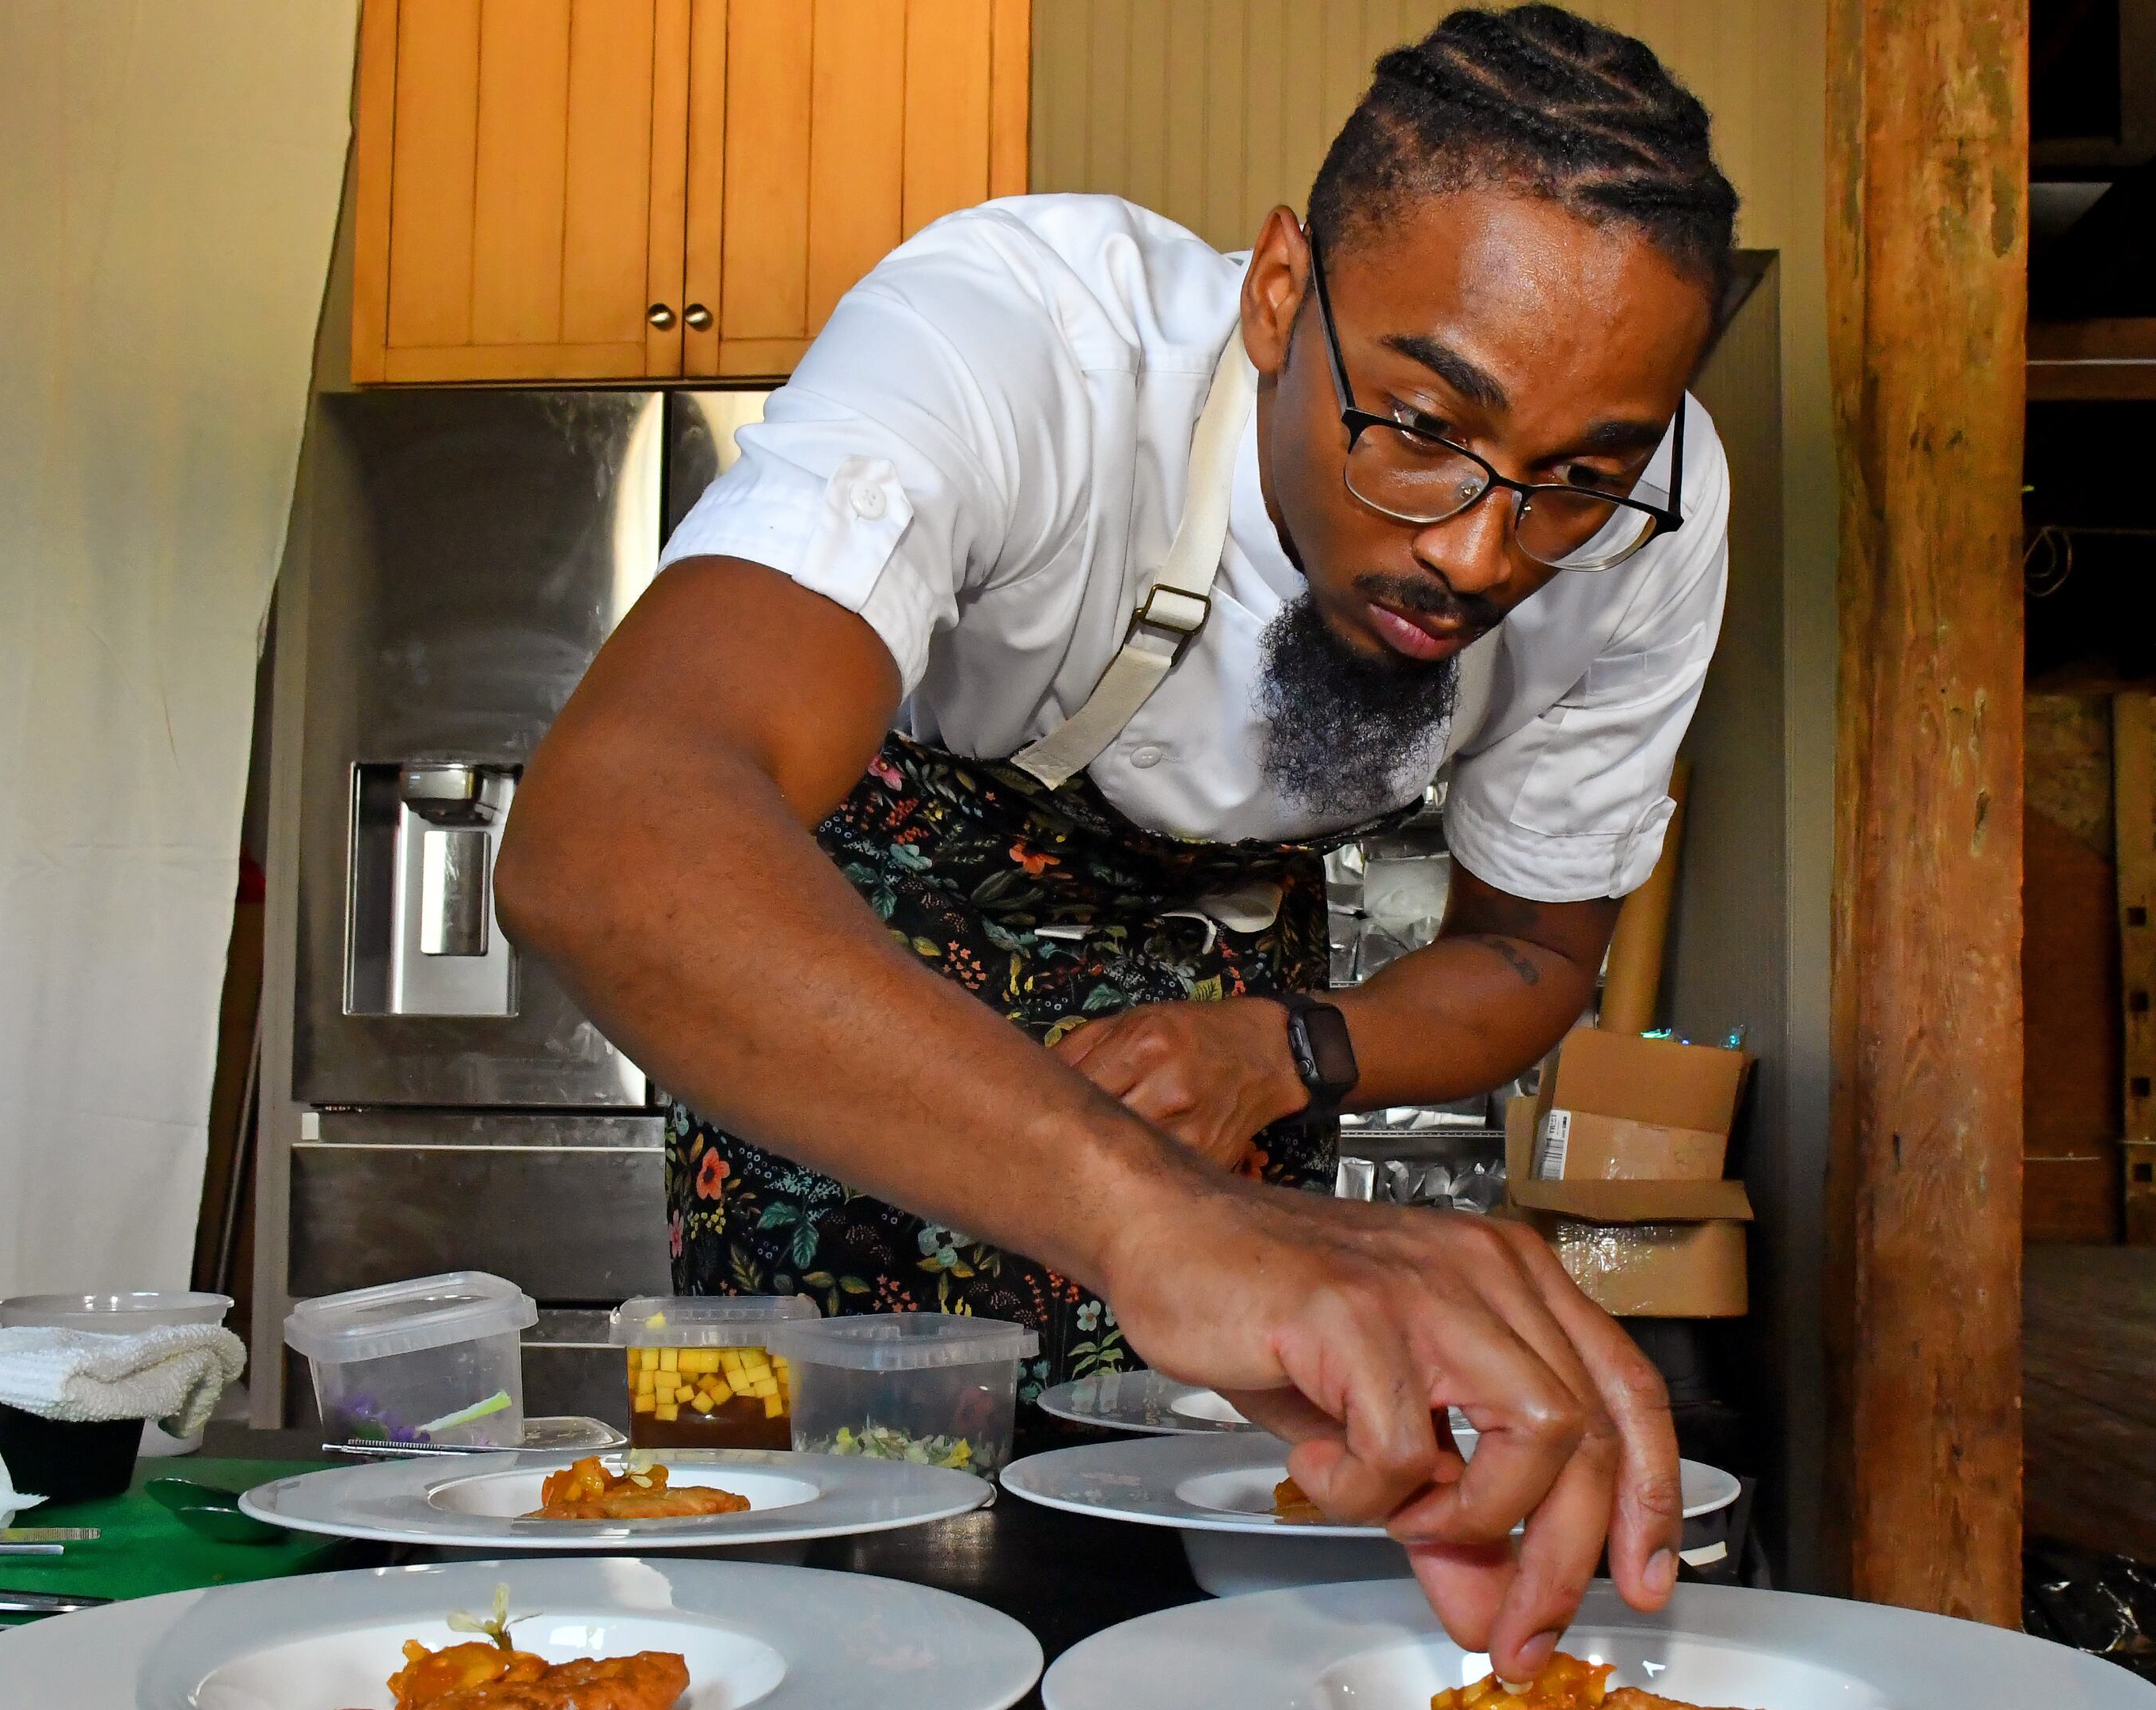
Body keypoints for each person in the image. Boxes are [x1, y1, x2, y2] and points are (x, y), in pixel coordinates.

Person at [496, 5, 1736, 1676]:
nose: (1485, 555)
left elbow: (1533, 953)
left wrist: (1286, 1049)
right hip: (856, 980)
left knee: (1205, 1611)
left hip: (1240, 1009)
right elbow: (610, 838)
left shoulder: (1656, 520)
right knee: (850, 1610)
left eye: (1578, 478)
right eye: (1427, 431)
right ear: (1282, 291)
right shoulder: (1028, 341)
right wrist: (1151, 1214)